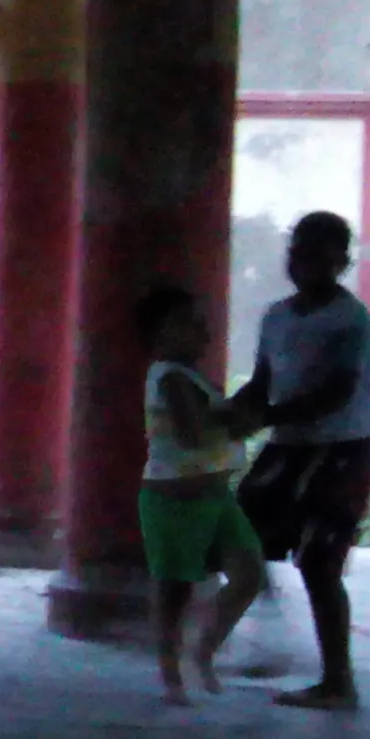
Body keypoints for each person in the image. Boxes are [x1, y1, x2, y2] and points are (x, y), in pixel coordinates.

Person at [229, 212, 370, 711]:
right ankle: (253, 630)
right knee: (237, 530)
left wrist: (267, 416)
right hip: (289, 447)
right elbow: (262, 381)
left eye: (319, 254)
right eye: (298, 251)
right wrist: (233, 411)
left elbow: (338, 393)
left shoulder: (351, 322)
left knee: (320, 561)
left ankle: (338, 680)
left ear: (342, 262)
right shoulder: (276, 316)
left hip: (341, 449)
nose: (304, 263)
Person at [134, 283, 267, 703]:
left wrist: (241, 414)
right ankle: (172, 672)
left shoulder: (193, 377)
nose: (201, 330)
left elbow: (215, 425)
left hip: (214, 495)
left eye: (199, 322)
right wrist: (239, 416)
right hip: (174, 499)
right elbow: (192, 435)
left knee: (249, 575)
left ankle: (202, 651)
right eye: (187, 323)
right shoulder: (169, 376)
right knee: (173, 589)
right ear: (159, 334)